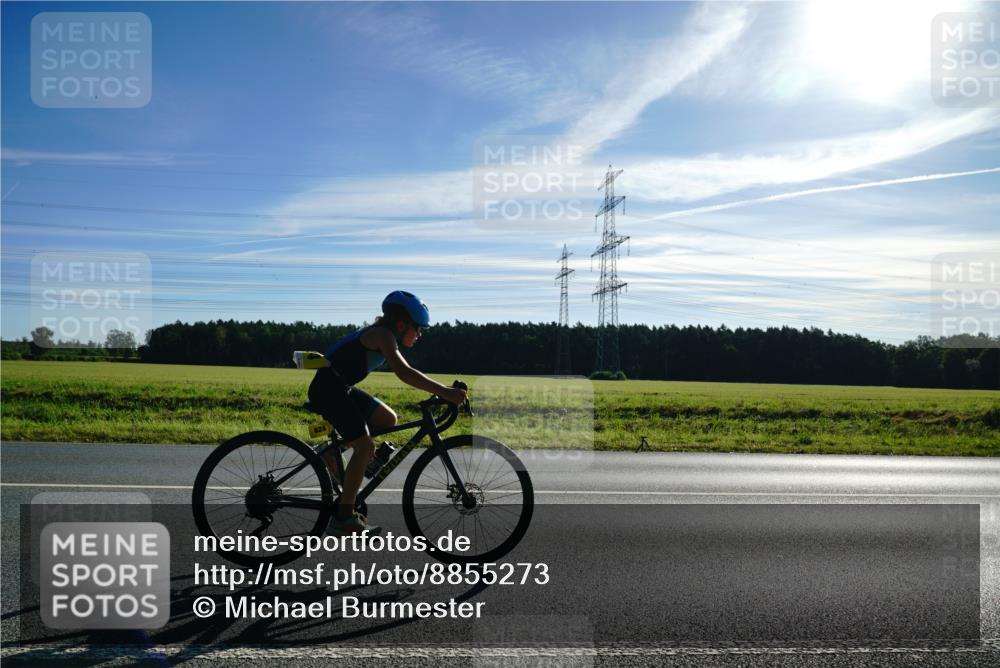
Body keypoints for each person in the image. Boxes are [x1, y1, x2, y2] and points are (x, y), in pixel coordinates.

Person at [308, 290, 467, 534]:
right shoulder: (382, 335)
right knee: (365, 447)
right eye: (418, 328)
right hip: (329, 390)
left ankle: (331, 454)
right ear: (401, 324)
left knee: (387, 419)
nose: (420, 334)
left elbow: (407, 371)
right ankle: (343, 518)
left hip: (339, 386)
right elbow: (405, 372)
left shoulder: (384, 334)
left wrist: (443, 391)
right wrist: (445, 392)